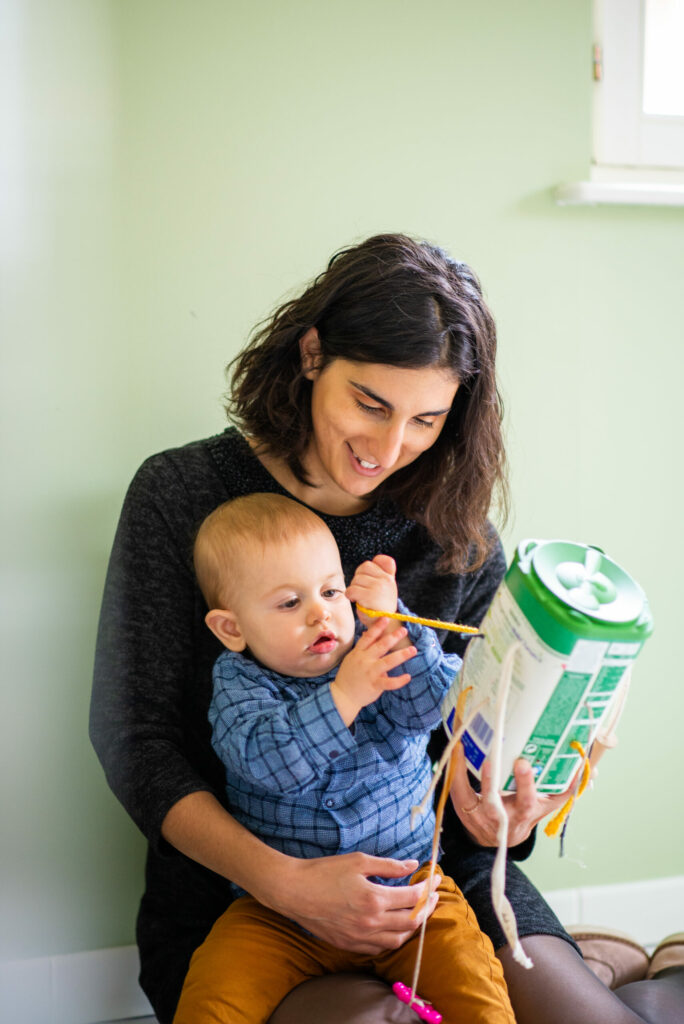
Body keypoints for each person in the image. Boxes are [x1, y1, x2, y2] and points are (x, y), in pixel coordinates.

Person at [90, 233, 684, 1024]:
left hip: (432, 880)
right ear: (310, 355)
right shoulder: (182, 494)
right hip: (248, 901)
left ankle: (650, 982)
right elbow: (135, 739)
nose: (388, 447)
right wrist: (286, 883)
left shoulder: (454, 535)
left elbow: (461, 740)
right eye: (370, 403)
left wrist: (499, 807)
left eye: (425, 419)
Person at [172, 491, 514, 1023]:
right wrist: (343, 698)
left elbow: (439, 707)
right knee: (213, 998)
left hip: (411, 895)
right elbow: (268, 762)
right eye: (290, 603)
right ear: (231, 628)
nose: (321, 614)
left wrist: (399, 623)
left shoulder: (372, 646)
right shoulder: (239, 683)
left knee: (477, 988)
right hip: (277, 915)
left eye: (331, 591)